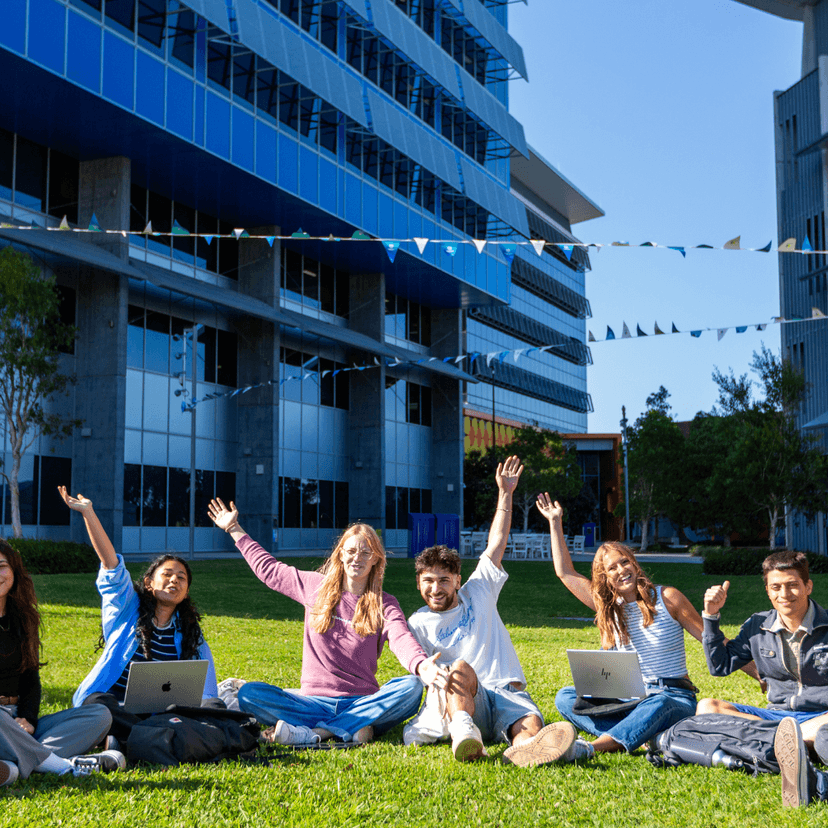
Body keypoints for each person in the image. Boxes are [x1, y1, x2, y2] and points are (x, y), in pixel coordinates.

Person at [207, 499, 446, 745]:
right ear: (341, 554)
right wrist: (233, 528)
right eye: (351, 551)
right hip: (312, 701)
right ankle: (355, 728)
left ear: (376, 559)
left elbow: (400, 637)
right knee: (250, 694)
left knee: (411, 688)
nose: (357, 558)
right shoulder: (313, 587)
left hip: (362, 701)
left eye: (366, 553)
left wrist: (420, 665)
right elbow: (269, 570)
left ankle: (318, 733)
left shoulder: (385, 602)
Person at [404, 456, 580, 767]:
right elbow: (421, 669)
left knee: (528, 728)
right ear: (418, 584)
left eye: (444, 580)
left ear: (458, 580)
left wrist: (506, 493)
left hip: (507, 692)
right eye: (428, 581)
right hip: (468, 702)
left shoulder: (479, 590)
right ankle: (464, 737)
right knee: (459, 667)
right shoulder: (417, 622)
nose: (436, 589)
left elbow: (496, 541)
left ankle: (525, 750)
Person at [538, 493, 703, 759]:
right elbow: (565, 573)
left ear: (635, 566)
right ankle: (642, 735)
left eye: (624, 562)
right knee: (565, 697)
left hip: (671, 697)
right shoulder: (607, 608)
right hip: (628, 699)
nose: (620, 570)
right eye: (611, 568)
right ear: (605, 578)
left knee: (659, 702)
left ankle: (592, 747)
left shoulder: (667, 597)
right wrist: (555, 522)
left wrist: (761, 675)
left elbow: (710, 639)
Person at [59, 488, 219, 743]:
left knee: (214, 709)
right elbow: (111, 563)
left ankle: (132, 738)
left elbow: (209, 692)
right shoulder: (127, 609)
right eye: (167, 575)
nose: (174, 580)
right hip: (114, 708)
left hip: (159, 714)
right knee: (98, 703)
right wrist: (88, 512)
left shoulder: (190, 634)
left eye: (181, 578)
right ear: (148, 582)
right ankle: (153, 738)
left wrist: (210, 709)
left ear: (186, 593)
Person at [701, 550, 828, 807]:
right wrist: (711, 616)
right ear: (768, 591)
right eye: (776, 587)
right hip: (777, 718)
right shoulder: (757, 626)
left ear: (808, 586)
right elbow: (720, 666)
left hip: (822, 717)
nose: (784, 594)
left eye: (793, 585)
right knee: (707, 707)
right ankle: (791, 743)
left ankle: (778, 744)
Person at [0, 538, 124, 785]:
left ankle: (16, 762)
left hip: (15, 721)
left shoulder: (22, 619)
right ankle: (62, 766)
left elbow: (30, 678)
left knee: (100, 715)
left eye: (2, 565)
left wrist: (28, 719)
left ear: (13, 571)